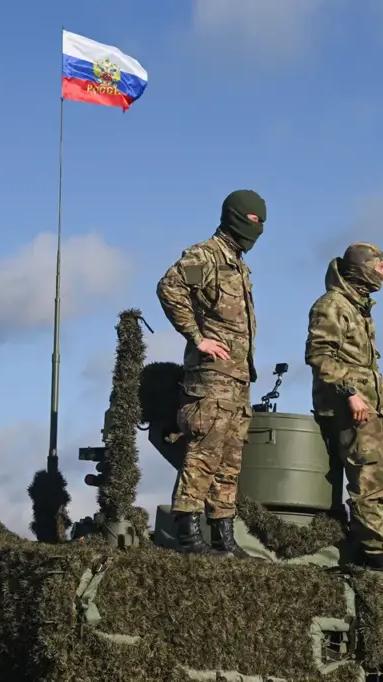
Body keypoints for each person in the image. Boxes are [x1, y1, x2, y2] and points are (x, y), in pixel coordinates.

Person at [156, 189, 266, 559]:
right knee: (203, 453)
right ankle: (188, 534)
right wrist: (198, 337)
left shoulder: (238, 264)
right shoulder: (205, 255)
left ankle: (224, 537)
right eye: (253, 219)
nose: (258, 228)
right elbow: (169, 287)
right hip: (211, 378)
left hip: (237, 378)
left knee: (230, 459)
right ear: (236, 217)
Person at [304, 242, 383, 574]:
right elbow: (320, 356)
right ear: (361, 268)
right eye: (379, 266)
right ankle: (376, 552)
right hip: (349, 408)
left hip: (371, 407)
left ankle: (368, 544)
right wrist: (351, 393)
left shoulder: (357, 307)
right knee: (368, 477)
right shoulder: (332, 305)